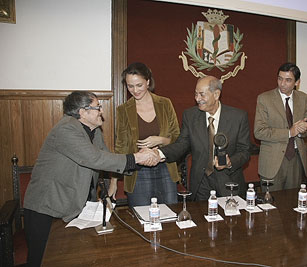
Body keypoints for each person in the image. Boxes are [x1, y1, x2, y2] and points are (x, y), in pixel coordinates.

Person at [23, 91, 159, 267]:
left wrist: (141, 160)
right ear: (82, 112)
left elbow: (108, 160)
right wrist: (138, 157)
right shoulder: (66, 129)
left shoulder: (94, 132)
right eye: (97, 107)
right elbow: (95, 159)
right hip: (47, 207)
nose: (101, 111)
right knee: (41, 260)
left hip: (74, 206)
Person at [159, 75, 251, 200]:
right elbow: (181, 144)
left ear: (216, 94)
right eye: (196, 94)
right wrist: (159, 153)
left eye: (202, 94)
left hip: (228, 181)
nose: (197, 99)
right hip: (201, 183)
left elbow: (244, 151)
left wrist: (230, 162)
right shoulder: (190, 116)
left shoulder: (238, 117)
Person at [108, 62, 180, 206]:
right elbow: (121, 147)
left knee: (170, 216)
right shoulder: (123, 110)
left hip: (166, 168)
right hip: (137, 172)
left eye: (139, 85)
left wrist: (159, 140)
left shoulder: (165, 104)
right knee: (141, 218)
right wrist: (114, 182)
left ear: (148, 81)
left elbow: (177, 137)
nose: (135, 90)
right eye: (130, 86)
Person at [254, 62, 307, 191]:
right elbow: (259, 132)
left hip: (296, 160)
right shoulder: (265, 99)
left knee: (293, 203)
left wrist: (303, 129)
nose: (282, 83)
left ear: (297, 82)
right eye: (280, 79)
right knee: (270, 205)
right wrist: (289, 132)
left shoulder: (303, 98)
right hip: (272, 162)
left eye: (288, 80)